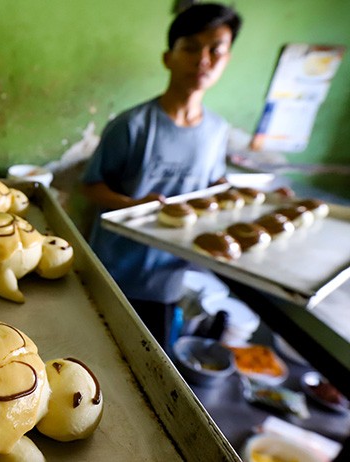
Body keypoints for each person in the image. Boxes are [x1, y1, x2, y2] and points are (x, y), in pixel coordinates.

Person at [79, 3, 242, 347]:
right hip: (114, 273)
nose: (203, 60)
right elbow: (91, 186)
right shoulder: (132, 125)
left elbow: (212, 186)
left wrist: (242, 195)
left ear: (227, 61)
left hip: (167, 279)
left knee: (155, 367)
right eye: (191, 47)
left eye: (216, 50)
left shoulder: (216, 131)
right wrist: (133, 203)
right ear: (169, 57)